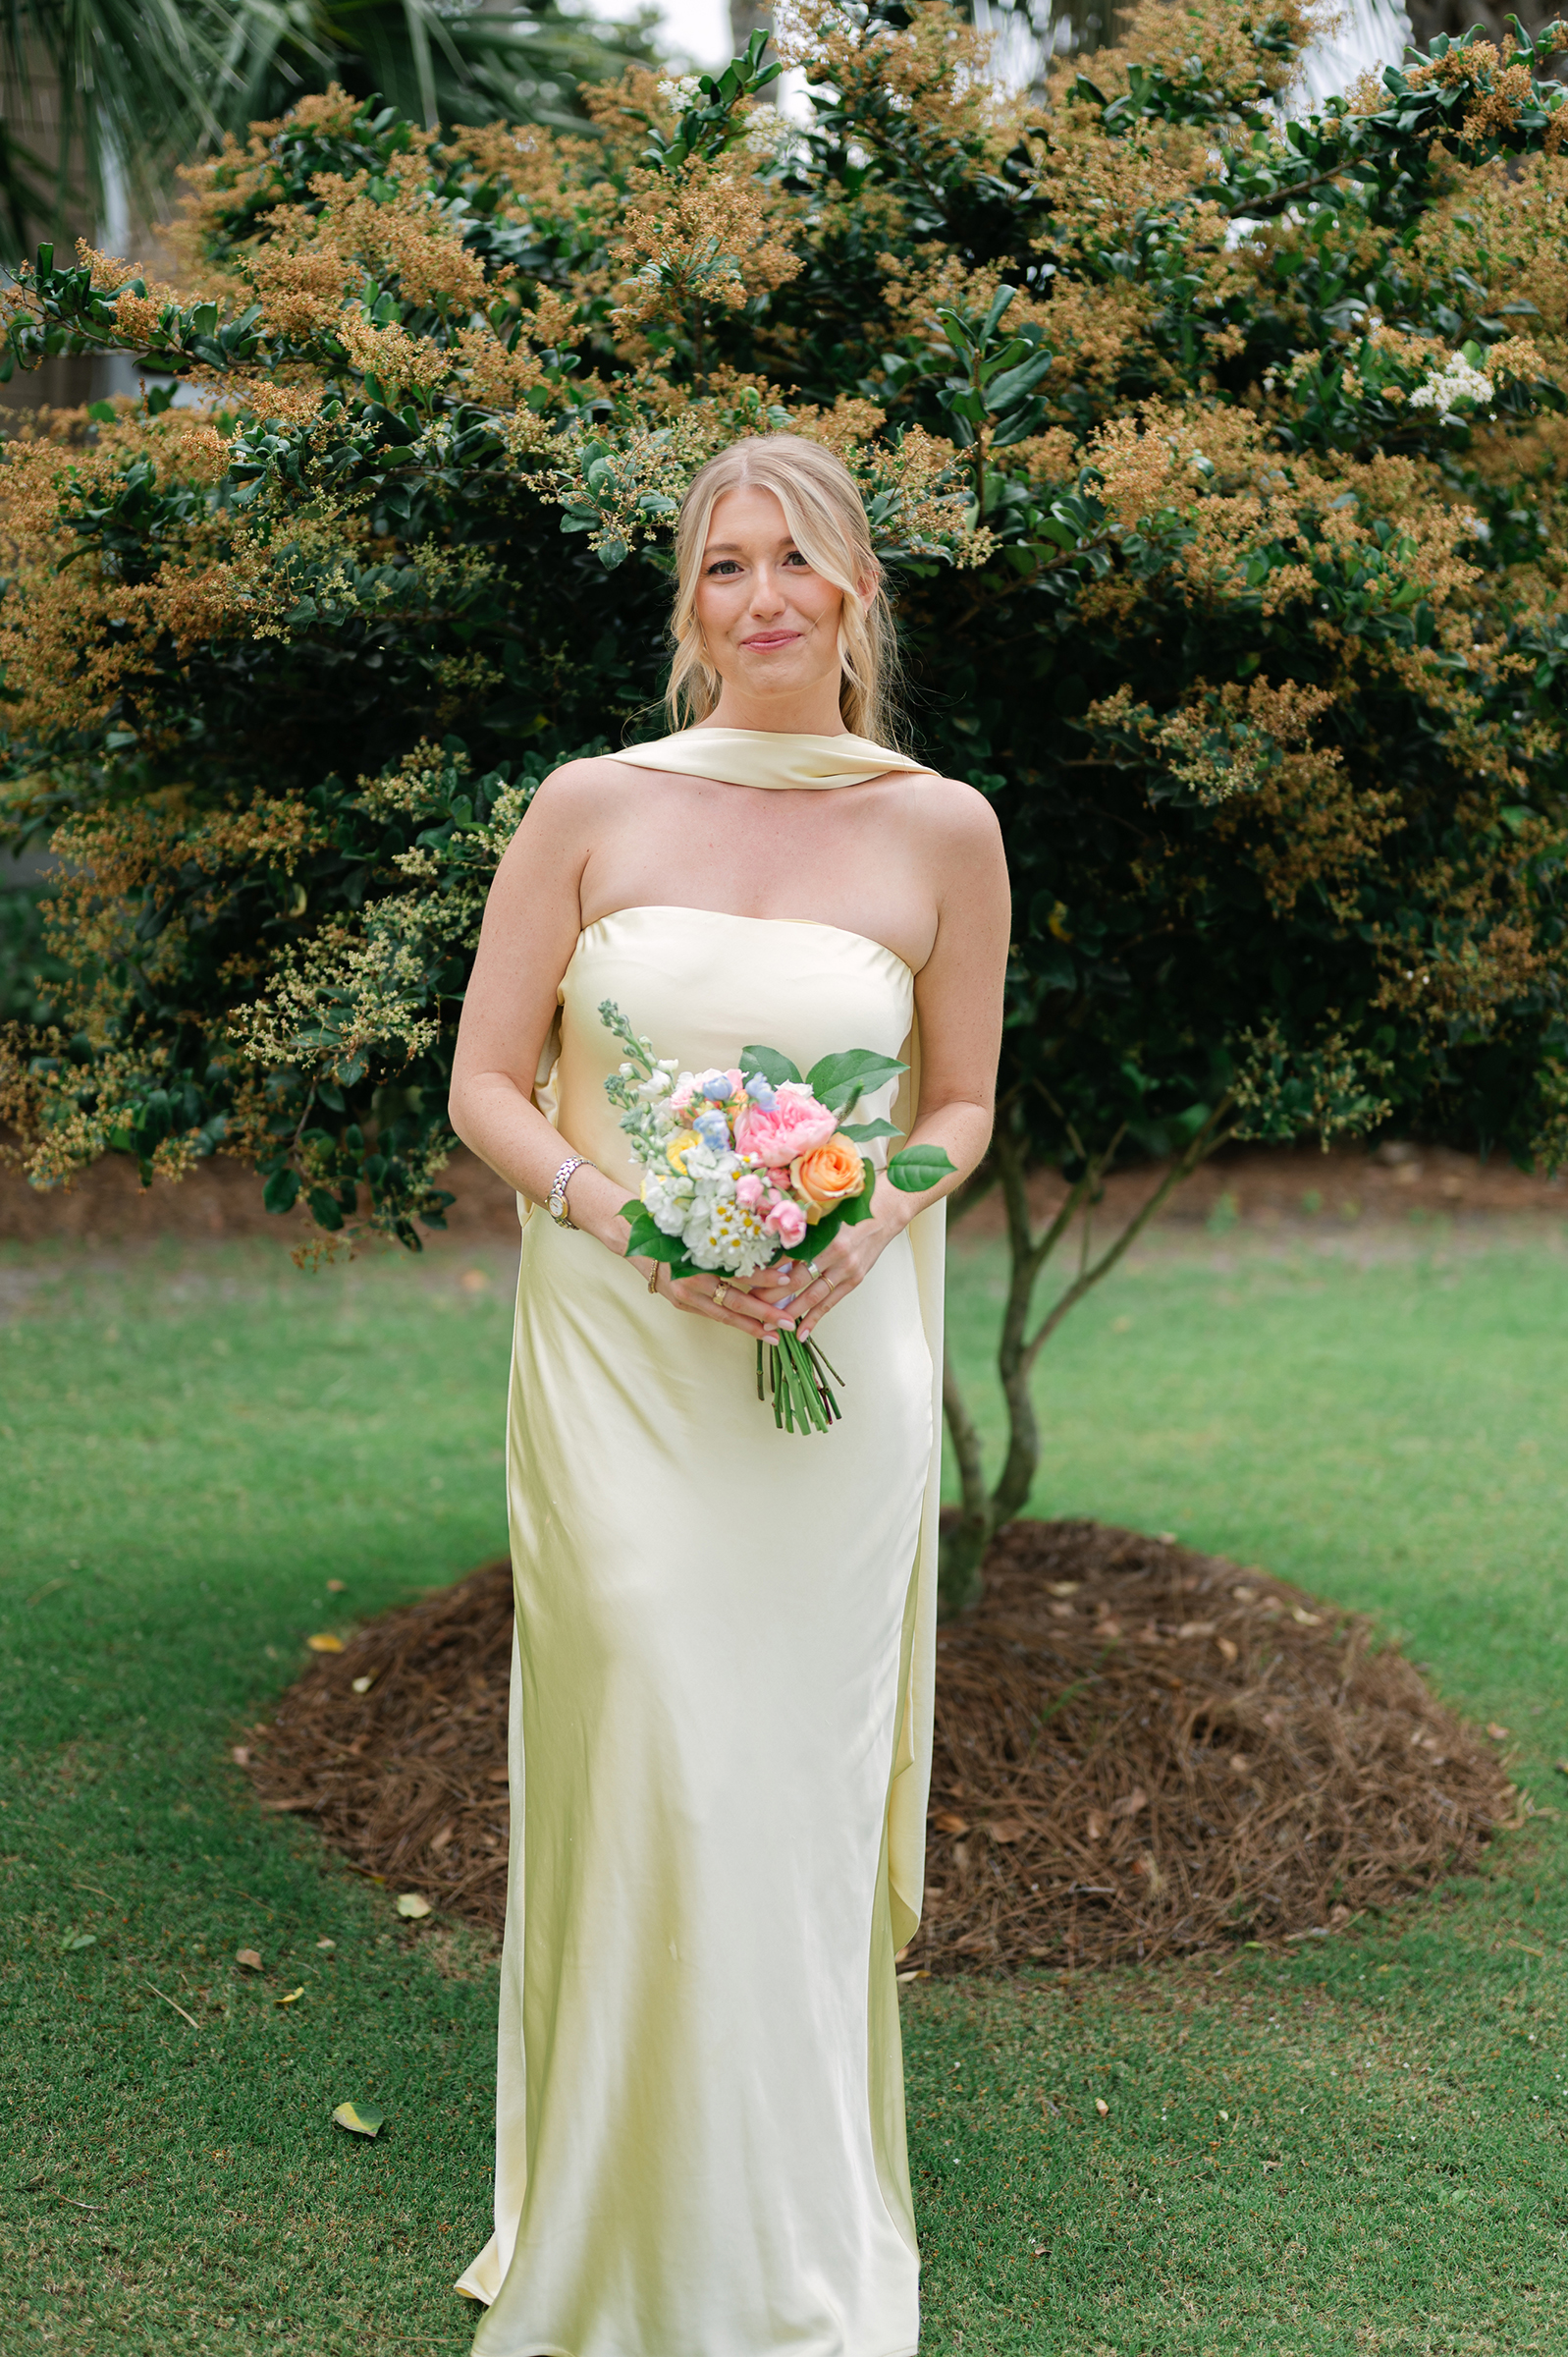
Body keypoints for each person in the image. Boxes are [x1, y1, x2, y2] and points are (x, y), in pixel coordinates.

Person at [447, 431, 1009, 2357]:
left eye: (795, 560)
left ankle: (781, 2243)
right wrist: (634, 1224)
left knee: (784, 1787)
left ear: (856, 588)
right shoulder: (592, 806)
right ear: (689, 602)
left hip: (836, 1369)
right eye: (720, 565)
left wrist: (863, 1226)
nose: (760, 596)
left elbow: (958, 1105)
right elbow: (487, 1086)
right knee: (663, 1733)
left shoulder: (941, 828)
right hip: (625, 1359)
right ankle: (618, 2223)